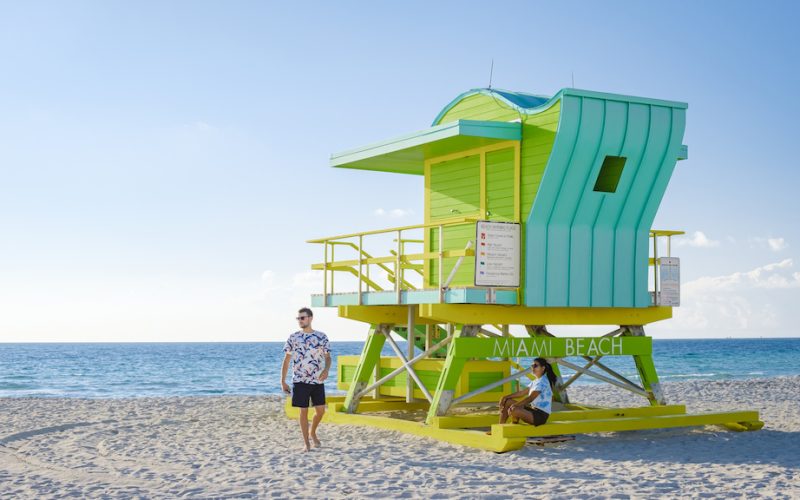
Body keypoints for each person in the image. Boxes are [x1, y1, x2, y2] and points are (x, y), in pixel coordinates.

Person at [281, 307, 331, 452]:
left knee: (321, 411)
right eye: (298, 318)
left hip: (317, 380)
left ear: (310, 318)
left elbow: (328, 358)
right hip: (299, 380)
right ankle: (306, 443)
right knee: (303, 411)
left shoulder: (322, 337)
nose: (300, 321)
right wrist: (282, 381)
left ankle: (312, 432)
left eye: (302, 318)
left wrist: (326, 370)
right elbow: (286, 360)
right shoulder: (293, 337)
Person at [495, 357, 557, 428]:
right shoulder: (535, 381)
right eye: (532, 366)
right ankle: (499, 428)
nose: (533, 368)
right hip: (532, 410)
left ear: (543, 368)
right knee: (507, 402)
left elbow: (530, 398)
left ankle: (514, 422)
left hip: (540, 416)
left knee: (514, 409)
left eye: (536, 366)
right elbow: (522, 393)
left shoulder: (543, 381)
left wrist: (515, 405)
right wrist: (505, 397)